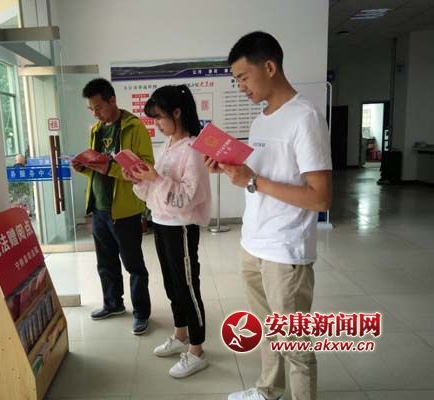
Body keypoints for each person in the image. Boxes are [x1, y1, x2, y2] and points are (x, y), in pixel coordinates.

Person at [204, 32, 332, 400]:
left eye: (243, 77)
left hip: (285, 250)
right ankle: (267, 390)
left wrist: (253, 180)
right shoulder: (261, 120)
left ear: (270, 67)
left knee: (295, 344)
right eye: (236, 80)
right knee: (266, 329)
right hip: (254, 242)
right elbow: (259, 178)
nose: (241, 86)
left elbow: (320, 198)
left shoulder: (305, 118)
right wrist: (231, 169)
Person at [126, 85, 212, 378]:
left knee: (187, 287)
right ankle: (180, 334)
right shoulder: (167, 147)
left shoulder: (194, 149)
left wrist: (156, 178)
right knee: (172, 285)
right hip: (162, 224)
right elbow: (155, 191)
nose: (156, 124)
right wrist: (139, 179)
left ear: (177, 112)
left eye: (159, 117)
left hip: (182, 228)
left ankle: (197, 350)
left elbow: (188, 197)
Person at [73, 78, 154, 335]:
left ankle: (141, 313)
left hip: (125, 209)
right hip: (99, 207)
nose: (95, 114)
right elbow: (97, 168)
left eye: (98, 107)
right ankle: (113, 304)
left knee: (133, 265)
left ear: (112, 100)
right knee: (105, 263)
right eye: (91, 109)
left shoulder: (134, 127)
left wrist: (110, 168)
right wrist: (83, 168)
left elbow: (145, 168)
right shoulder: (96, 130)